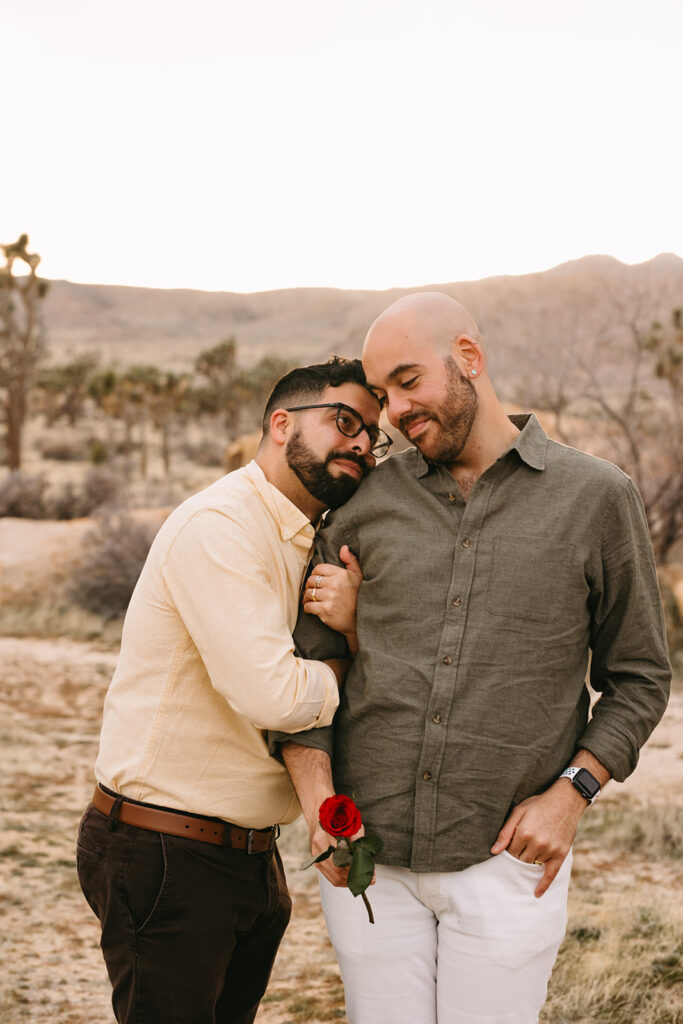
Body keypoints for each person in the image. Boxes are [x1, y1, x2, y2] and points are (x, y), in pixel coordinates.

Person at [272, 294, 672, 1024]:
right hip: (368, 856)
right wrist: (320, 808)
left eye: (407, 381)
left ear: (469, 358)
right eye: (381, 393)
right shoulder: (362, 508)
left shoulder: (595, 497)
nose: (392, 411)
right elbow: (312, 672)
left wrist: (570, 794)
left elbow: (639, 678)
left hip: (505, 860)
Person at [76, 356, 391, 1024]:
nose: (362, 443)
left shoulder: (310, 540)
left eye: (372, 432)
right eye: (344, 421)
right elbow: (273, 695)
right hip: (167, 852)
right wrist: (355, 657)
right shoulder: (220, 528)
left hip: (243, 855)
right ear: (281, 424)